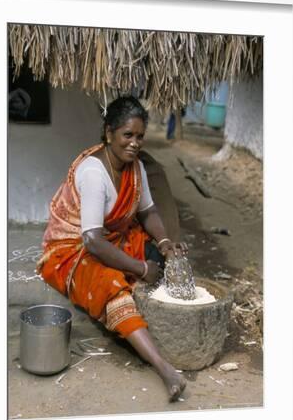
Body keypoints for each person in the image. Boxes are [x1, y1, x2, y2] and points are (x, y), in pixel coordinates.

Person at [37, 96, 187, 401]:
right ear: (109, 134)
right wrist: (140, 268)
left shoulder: (135, 168)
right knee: (112, 284)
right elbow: (91, 240)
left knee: (163, 254)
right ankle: (164, 368)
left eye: (140, 136)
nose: (134, 143)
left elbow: (147, 212)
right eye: (127, 135)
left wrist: (164, 241)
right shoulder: (95, 173)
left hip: (113, 236)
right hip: (74, 248)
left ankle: (147, 319)